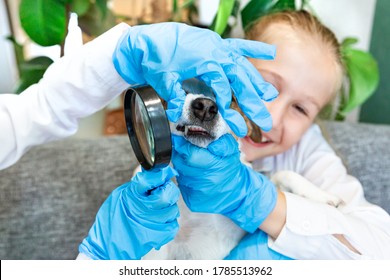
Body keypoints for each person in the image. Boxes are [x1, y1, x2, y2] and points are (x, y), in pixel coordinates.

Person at [0, 21, 278, 259]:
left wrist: (116, 56)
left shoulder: (256, 173)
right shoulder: (149, 185)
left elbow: (33, 112)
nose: (205, 105)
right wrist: (101, 258)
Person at [171, 10, 390, 259]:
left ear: (312, 121)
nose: (271, 121)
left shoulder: (305, 149)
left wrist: (260, 202)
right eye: (266, 87)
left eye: (300, 109)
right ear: (231, 72)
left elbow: (382, 252)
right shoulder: (188, 122)